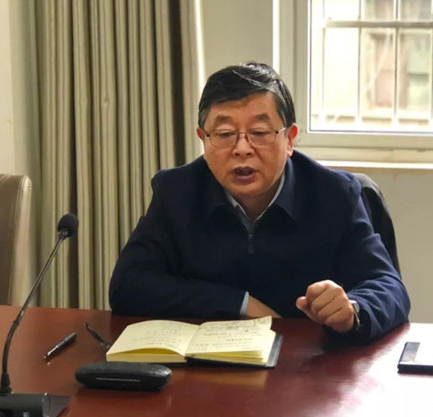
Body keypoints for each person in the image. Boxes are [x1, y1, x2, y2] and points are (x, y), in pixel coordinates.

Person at [110, 62, 410, 341]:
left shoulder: (335, 194)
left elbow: (388, 287)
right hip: (210, 367)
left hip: (307, 366)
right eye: (225, 134)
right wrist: (239, 304)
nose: (242, 148)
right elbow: (129, 284)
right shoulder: (177, 191)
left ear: (289, 140)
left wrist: (353, 310)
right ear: (203, 139)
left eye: (259, 132)